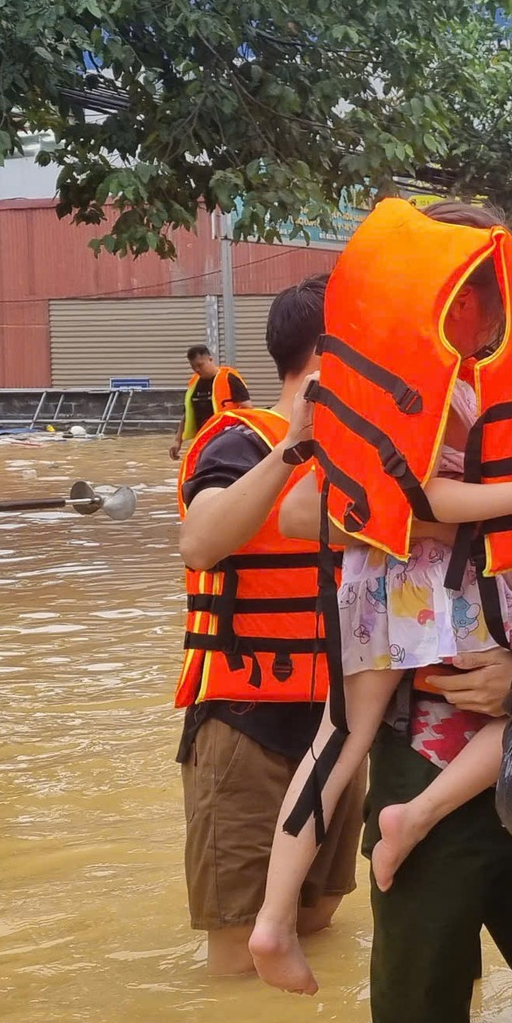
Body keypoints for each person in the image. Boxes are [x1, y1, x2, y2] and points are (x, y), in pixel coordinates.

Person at [276, 200, 512, 1023]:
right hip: (427, 738)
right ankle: (289, 911)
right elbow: (312, 507)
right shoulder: (432, 391)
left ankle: (294, 905)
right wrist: (428, 522)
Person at [174, 276, 363, 977]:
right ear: (326, 355)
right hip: (245, 721)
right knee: (235, 960)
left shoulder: (366, 454)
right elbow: (200, 542)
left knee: (315, 927)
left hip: (338, 726)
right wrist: (295, 449)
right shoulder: (236, 440)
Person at [170, 345, 251, 461]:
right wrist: (177, 441)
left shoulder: (229, 379)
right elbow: (186, 416)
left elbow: (248, 410)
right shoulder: (194, 384)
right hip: (203, 442)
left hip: (228, 443)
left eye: (200, 365)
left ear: (210, 360)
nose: (197, 370)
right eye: (193, 367)